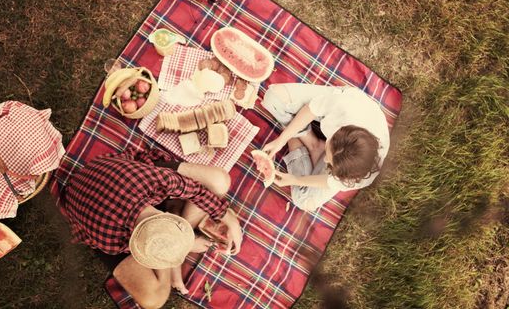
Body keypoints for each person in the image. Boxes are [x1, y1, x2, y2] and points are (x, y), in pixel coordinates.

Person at [63, 147, 242, 309]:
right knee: (154, 300)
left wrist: (227, 217)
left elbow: (195, 190)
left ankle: (173, 248)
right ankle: (172, 258)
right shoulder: (111, 240)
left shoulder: (158, 180)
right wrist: (183, 247)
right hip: (88, 204)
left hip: (109, 177)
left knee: (220, 180)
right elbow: (140, 251)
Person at [261, 83, 389, 212]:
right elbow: (311, 109)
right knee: (273, 99)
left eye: (329, 162)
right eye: (328, 155)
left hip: (341, 156)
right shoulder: (345, 107)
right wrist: (281, 140)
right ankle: (312, 143)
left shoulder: (359, 177)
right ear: (337, 131)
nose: (325, 161)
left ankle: (309, 144)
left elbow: (330, 181)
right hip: (336, 102)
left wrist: (296, 179)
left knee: (303, 201)